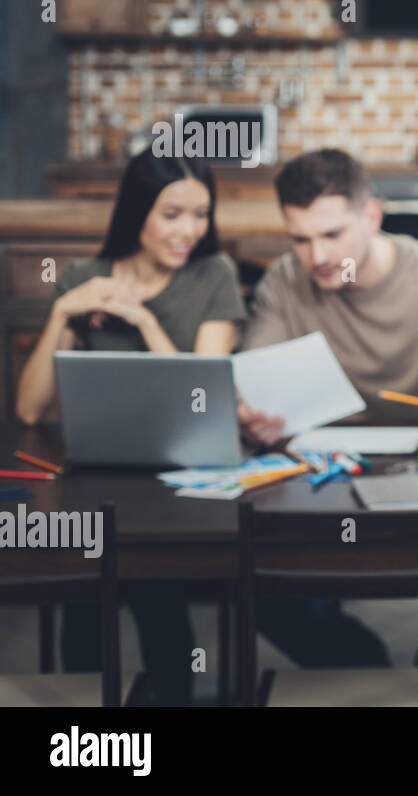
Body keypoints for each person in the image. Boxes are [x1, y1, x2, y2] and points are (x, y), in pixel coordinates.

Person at [16, 149, 247, 705]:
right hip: (94, 474)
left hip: (180, 482)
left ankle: (171, 695)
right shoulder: (83, 279)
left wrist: (144, 321)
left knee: (160, 600)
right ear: (136, 211)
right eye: (172, 214)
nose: (189, 230)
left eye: (200, 214)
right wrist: (63, 312)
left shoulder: (214, 275)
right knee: (84, 602)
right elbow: (28, 410)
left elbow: (200, 401)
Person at [237, 148, 418, 668]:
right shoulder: (285, 280)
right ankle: (357, 662)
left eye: (332, 235)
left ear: (371, 216)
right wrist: (254, 412)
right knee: (245, 571)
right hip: (320, 477)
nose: (316, 255)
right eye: (300, 239)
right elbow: (254, 378)